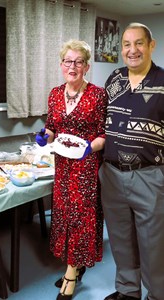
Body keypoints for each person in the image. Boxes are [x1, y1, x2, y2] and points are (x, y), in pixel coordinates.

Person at [36, 39, 108, 299]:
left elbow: (103, 134)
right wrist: (45, 136)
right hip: (63, 164)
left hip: (86, 165)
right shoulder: (55, 93)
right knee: (65, 213)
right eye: (68, 61)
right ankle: (75, 265)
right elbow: (52, 126)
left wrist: (90, 148)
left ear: (87, 66)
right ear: (61, 65)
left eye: (79, 61)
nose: (73, 66)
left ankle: (70, 274)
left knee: (81, 216)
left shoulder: (97, 94)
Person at [99, 23, 164, 300]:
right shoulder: (114, 78)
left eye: (139, 43)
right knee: (120, 238)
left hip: (149, 176)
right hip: (112, 174)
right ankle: (127, 291)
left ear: (151, 45)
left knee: (153, 244)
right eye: (126, 44)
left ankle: (157, 294)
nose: (132, 50)